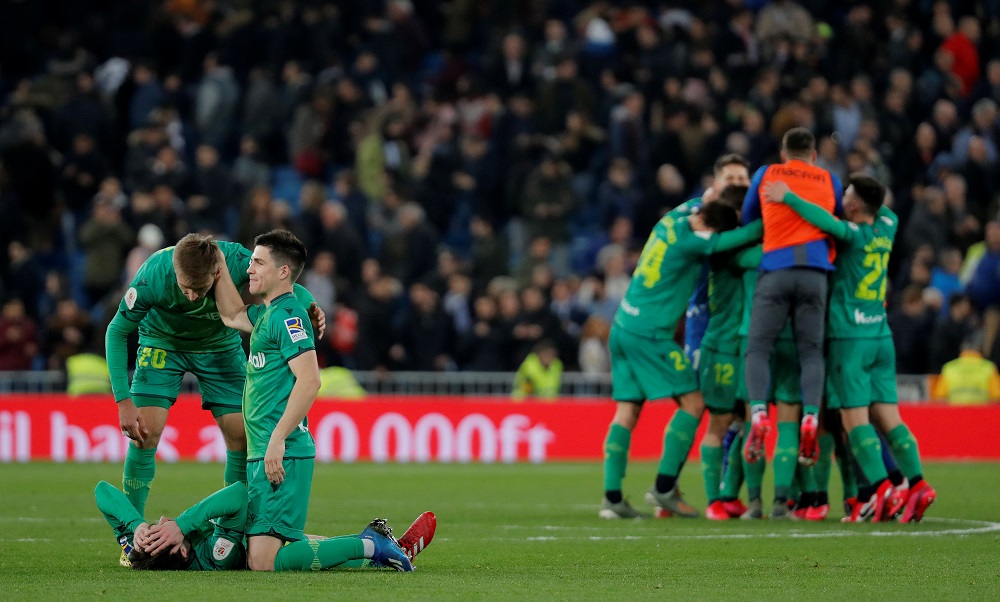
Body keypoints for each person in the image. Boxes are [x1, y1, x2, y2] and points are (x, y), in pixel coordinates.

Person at [105, 233, 327, 565]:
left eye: (201, 288)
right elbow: (116, 330)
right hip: (162, 342)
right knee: (144, 434)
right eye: (185, 288)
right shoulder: (153, 273)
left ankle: (236, 530)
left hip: (218, 345)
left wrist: (309, 304)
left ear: (217, 272)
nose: (193, 296)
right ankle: (133, 540)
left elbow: (284, 280)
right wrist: (123, 400)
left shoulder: (235, 260)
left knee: (240, 436)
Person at [765, 173, 936, 523]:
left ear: (856, 204)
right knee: (890, 418)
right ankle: (917, 484)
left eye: (848, 194)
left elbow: (826, 221)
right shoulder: (888, 224)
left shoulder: (853, 236)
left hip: (850, 338)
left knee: (853, 419)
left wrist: (789, 197)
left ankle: (880, 490)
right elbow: (879, 206)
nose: (842, 196)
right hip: (879, 335)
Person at [210, 229, 379, 572]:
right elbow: (230, 314)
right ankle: (372, 550)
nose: (250, 269)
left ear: (283, 272)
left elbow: (310, 380)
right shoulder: (267, 316)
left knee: (263, 561)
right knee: (264, 549)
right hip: (263, 452)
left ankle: (370, 546)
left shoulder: (288, 317)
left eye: (258, 262)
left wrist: (277, 439)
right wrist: (217, 263)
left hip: (281, 451)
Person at [600, 200, 762, 519]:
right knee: (694, 402)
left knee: (627, 412)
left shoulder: (672, 220)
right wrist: (773, 216)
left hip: (622, 326)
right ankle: (664, 487)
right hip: (651, 335)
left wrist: (716, 194)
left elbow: (698, 203)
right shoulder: (696, 240)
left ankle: (612, 499)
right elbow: (739, 239)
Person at [741, 127, 844, 468]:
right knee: (811, 352)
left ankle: (758, 413)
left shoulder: (767, 174)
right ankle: (811, 416)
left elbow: (747, 217)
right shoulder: (830, 180)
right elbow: (838, 221)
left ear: (784, 154)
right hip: (815, 273)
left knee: (758, 347)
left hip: (776, 269)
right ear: (814, 155)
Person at [95, 480, 435, 571]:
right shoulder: (217, 555)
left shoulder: (141, 551)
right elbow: (238, 495)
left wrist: (136, 524)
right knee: (274, 563)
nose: (162, 522)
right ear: (182, 553)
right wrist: (185, 523)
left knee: (304, 548)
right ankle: (372, 543)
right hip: (264, 528)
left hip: (265, 534)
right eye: (162, 531)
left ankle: (387, 548)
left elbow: (102, 491)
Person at [933, 334, 1000, 404]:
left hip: (955, 413)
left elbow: (940, 398)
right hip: (981, 413)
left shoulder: (949, 368)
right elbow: (996, 398)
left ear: (961, 349)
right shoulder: (989, 368)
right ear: (980, 349)